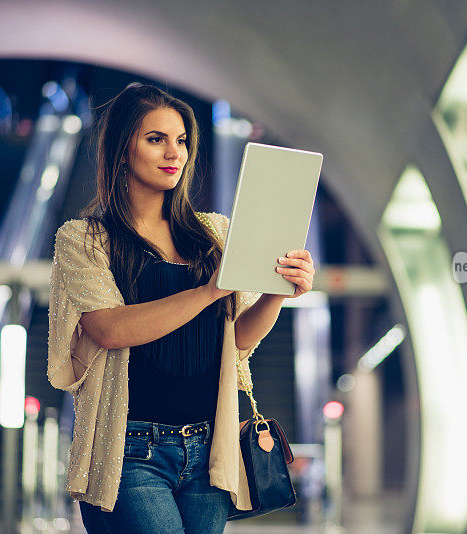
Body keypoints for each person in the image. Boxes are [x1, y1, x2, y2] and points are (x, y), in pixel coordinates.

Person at [46, 83, 315, 533]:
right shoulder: (85, 239)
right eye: (156, 139)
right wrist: (210, 290)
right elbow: (108, 330)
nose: (175, 152)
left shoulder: (212, 234)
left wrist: (276, 292)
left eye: (182, 140)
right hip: (129, 452)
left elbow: (238, 341)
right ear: (121, 149)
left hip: (208, 451)